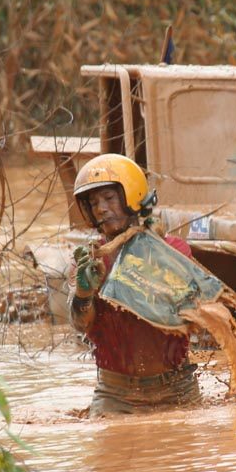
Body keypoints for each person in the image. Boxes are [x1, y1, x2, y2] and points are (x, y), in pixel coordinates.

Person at [69, 153, 201, 418]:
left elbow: (189, 311)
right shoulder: (90, 262)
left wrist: (155, 257)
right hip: (116, 396)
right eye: (93, 203)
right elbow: (80, 324)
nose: (101, 209)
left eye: (109, 198)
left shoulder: (174, 249)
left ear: (132, 196)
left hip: (178, 389)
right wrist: (84, 294)